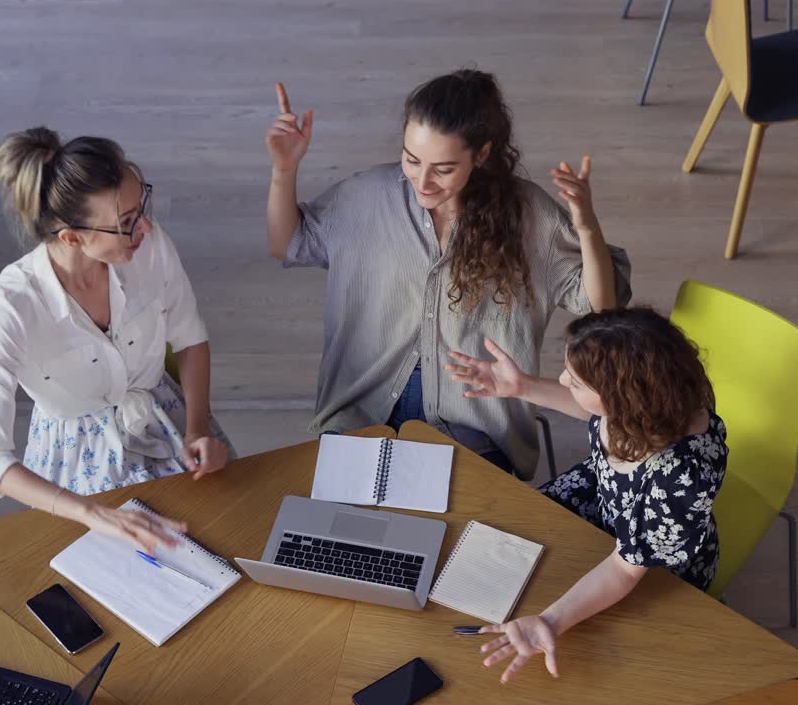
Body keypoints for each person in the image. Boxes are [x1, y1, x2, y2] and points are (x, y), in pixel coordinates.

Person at [264, 69, 632, 479]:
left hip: (474, 427)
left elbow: (602, 305)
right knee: (340, 517)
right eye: (411, 159)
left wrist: (586, 228)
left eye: (443, 169)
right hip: (360, 413)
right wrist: (284, 170)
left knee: (456, 520)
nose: (422, 181)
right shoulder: (364, 196)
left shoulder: (529, 215)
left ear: (482, 154)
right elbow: (288, 244)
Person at [0, 126, 236, 553]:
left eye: (141, 207)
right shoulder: (13, 304)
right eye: (126, 223)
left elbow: (190, 338)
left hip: (164, 419)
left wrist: (197, 430)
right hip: (72, 467)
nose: (145, 227)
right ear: (72, 237)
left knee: (225, 538)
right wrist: (95, 513)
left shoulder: (150, 246)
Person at [446, 307, 727, 683]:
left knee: (569, 610)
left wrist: (550, 620)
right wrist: (522, 386)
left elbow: (624, 570)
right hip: (605, 497)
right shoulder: (657, 399)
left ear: (624, 398)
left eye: (576, 382)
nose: (563, 380)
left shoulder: (681, 476)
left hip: (650, 556)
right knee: (515, 537)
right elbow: (592, 411)